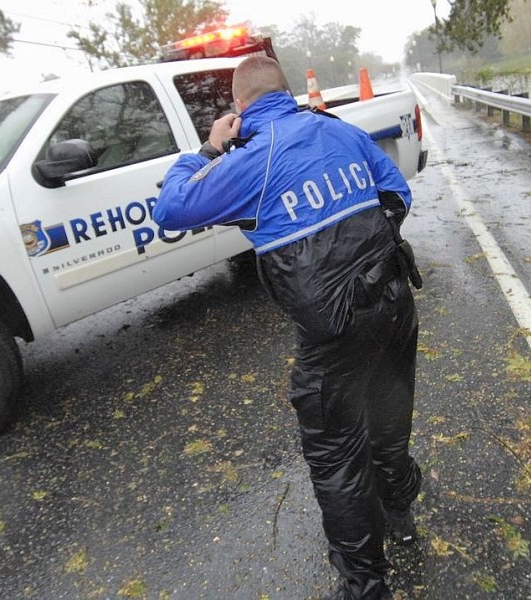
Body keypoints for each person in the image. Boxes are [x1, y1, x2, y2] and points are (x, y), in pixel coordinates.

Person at [152, 55, 423, 600]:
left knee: (336, 455)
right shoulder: (336, 129)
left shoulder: (250, 160)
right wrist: (366, 256)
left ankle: (366, 587)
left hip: (336, 333)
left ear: (239, 107)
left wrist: (208, 149)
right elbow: (398, 194)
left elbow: (171, 207)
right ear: (289, 91)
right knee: (389, 418)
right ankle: (401, 513)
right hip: (394, 301)